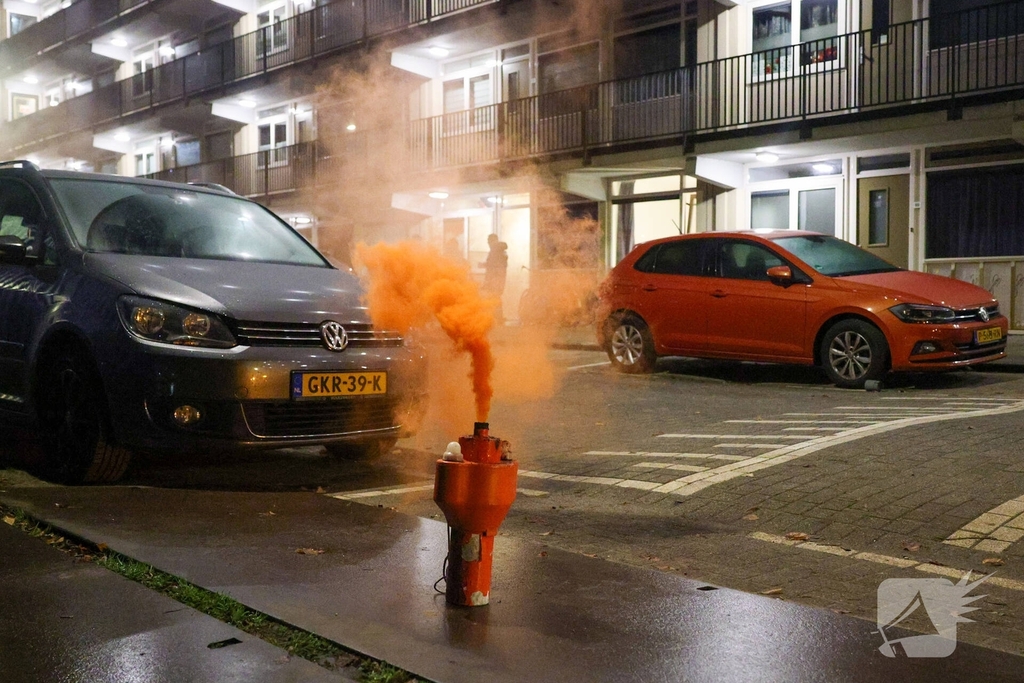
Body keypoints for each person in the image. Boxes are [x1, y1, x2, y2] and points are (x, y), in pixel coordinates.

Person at [480, 233, 508, 323]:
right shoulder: (501, 252)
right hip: (498, 279)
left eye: (489, 241)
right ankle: (497, 316)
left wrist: (488, 281)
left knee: (494, 297)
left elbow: (493, 267)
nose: (488, 243)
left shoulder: (495, 252)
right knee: (495, 297)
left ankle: (496, 317)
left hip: (495, 279)